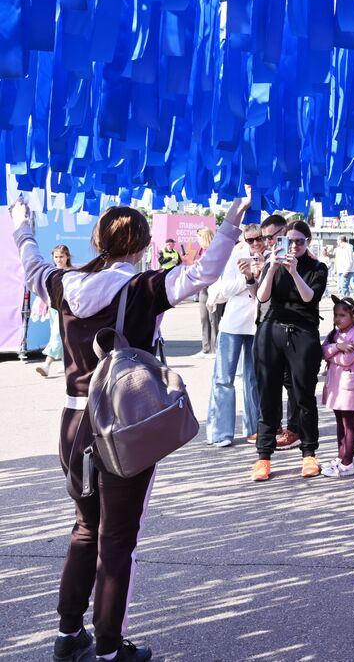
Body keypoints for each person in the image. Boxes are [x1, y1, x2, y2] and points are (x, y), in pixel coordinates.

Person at [12, 189, 251, 662]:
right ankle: (108, 646)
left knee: (85, 527)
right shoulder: (143, 288)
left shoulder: (63, 284)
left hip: (73, 420)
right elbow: (202, 273)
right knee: (118, 537)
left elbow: (31, 258)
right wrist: (229, 224)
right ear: (141, 245)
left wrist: (23, 223)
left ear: (98, 241)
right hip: (122, 423)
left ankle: (67, 634)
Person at [250, 220, 330, 482]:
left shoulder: (317, 267)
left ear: (309, 242)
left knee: (303, 394)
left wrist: (295, 272)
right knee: (268, 394)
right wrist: (272, 269)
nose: (294, 246)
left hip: (303, 331)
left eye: (300, 241)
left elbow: (309, 298)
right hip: (271, 329)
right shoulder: (274, 261)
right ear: (280, 241)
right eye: (290, 241)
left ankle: (309, 453)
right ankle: (263, 456)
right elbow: (262, 297)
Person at [206, 224, 264, 447]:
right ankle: (220, 432)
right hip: (233, 323)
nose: (256, 243)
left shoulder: (269, 256)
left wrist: (259, 273)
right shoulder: (236, 256)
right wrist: (247, 277)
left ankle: (253, 429)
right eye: (250, 240)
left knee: (253, 378)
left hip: (257, 324)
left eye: (259, 238)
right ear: (244, 240)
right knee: (224, 378)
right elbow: (226, 288)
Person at [321, 297, 354, 478]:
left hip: (350, 384)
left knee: (349, 423)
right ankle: (341, 456)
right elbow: (323, 350)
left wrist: (332, 354)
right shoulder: (336, 334)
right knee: (339, 423)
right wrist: (338, 347)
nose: (338, 319)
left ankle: (347, 462)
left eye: (342, 315)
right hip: (336, 383)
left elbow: (346, 360)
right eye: (336, 315)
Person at [33, 245, 73, 378]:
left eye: (61, 256)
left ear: (67, 256)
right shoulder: (52, 271)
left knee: (57, 334)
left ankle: (47, 365)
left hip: (65, 307)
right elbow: (44, 289)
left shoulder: (72, 272)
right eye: (56, 257)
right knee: (57, 334)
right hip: (53, 308)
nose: (59, 259)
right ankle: (65, 363)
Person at [195, 227, 221, 357]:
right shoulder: (201, 251)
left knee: (213, 319)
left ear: (204, 237)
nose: (197, 241)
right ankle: (205, 348)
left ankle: (215, 348)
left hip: (213, 286)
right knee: (204, 318)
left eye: (199, 238)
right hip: (203, 286)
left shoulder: (214, 250)